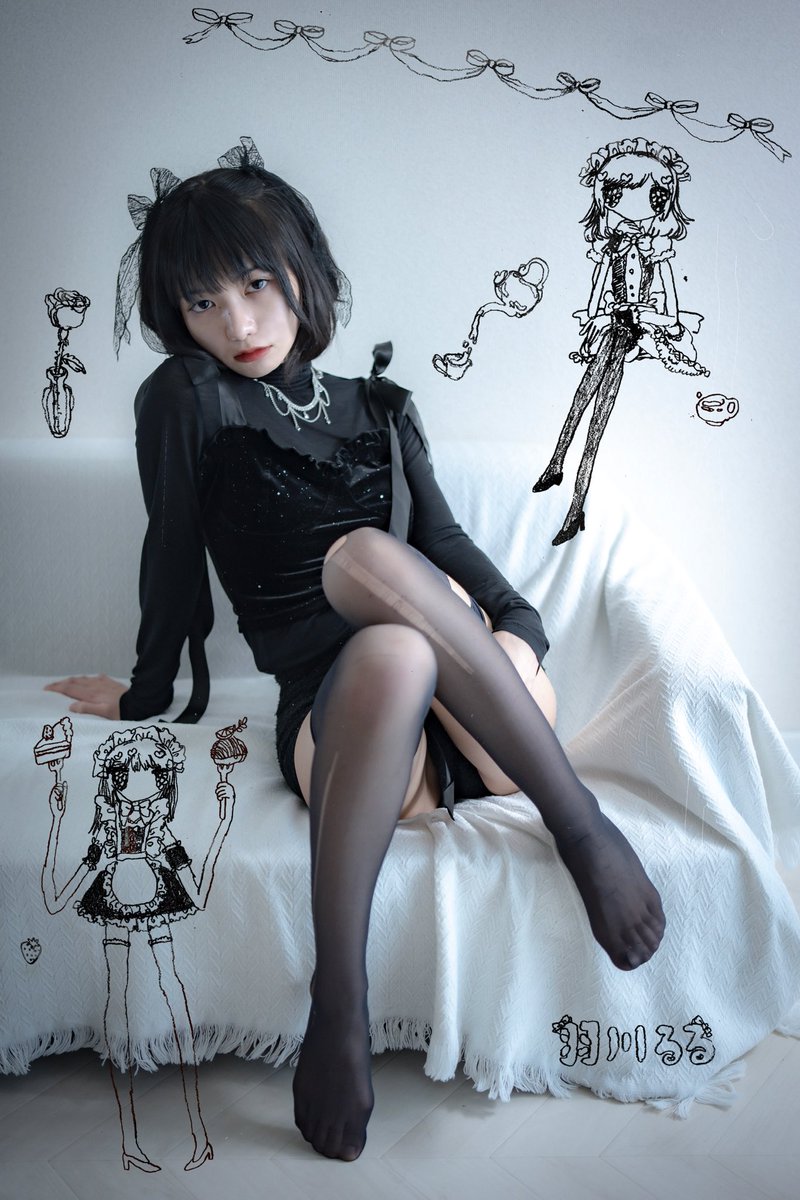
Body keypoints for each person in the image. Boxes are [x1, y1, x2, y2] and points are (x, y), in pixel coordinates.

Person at [47, 139, 665, 1163]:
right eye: (202, 303)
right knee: (390, 642)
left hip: (493, 727)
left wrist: (516, 637)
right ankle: (339, 1001)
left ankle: (579, 826)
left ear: (300, 272)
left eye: (255, 284)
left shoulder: (378, 409)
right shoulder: (189, 400)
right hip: (355, 739)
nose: (237, 324)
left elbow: (451, 549)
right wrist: (147, 692)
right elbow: (172, 554)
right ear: (177, 317)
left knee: (404, 588)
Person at [40, 725, 232, 1172]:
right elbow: (53, 899)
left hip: (150, 900)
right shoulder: (108, 839)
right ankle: (132, 1141)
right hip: (117, 902)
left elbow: (200, 895)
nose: (131, 782)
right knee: (123, 1003)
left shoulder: (159, 835)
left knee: (167, 994)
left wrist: (223, 823)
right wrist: (56, 820)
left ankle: (196, 1134)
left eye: (144, 772)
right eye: (123, 773)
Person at [533, 137, 709, 544]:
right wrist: (599, 321)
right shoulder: (609, 251)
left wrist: (638, 315)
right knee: (587, 401)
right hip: (612, 332)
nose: (631, 208)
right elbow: (595, 301)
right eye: (616, 195)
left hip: (631, 334)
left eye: (652, 196)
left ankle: (568, 486)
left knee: (595, 414)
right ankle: (566, 487)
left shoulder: (656, 255)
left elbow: (670, 314)